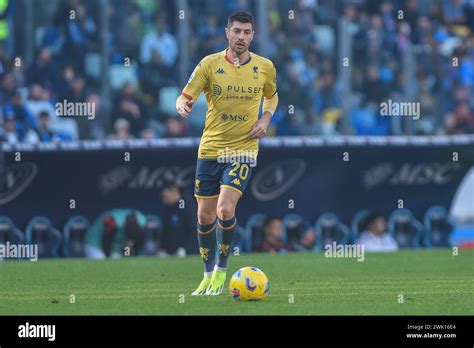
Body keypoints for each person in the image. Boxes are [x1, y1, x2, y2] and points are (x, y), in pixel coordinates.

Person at [175, 11, 278, 295]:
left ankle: (222, 270)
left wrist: (265, 119)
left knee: (225, 208)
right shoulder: (209, 64)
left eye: (246, 32)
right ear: (227, 33)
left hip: (243, 149)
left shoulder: (265, 67)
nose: (241, 37)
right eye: (237, 31)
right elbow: (186, 95)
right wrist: (182, 106)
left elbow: (272, 95)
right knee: (205, 216)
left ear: (253, 35)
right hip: (210, 149)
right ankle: (207, 274)